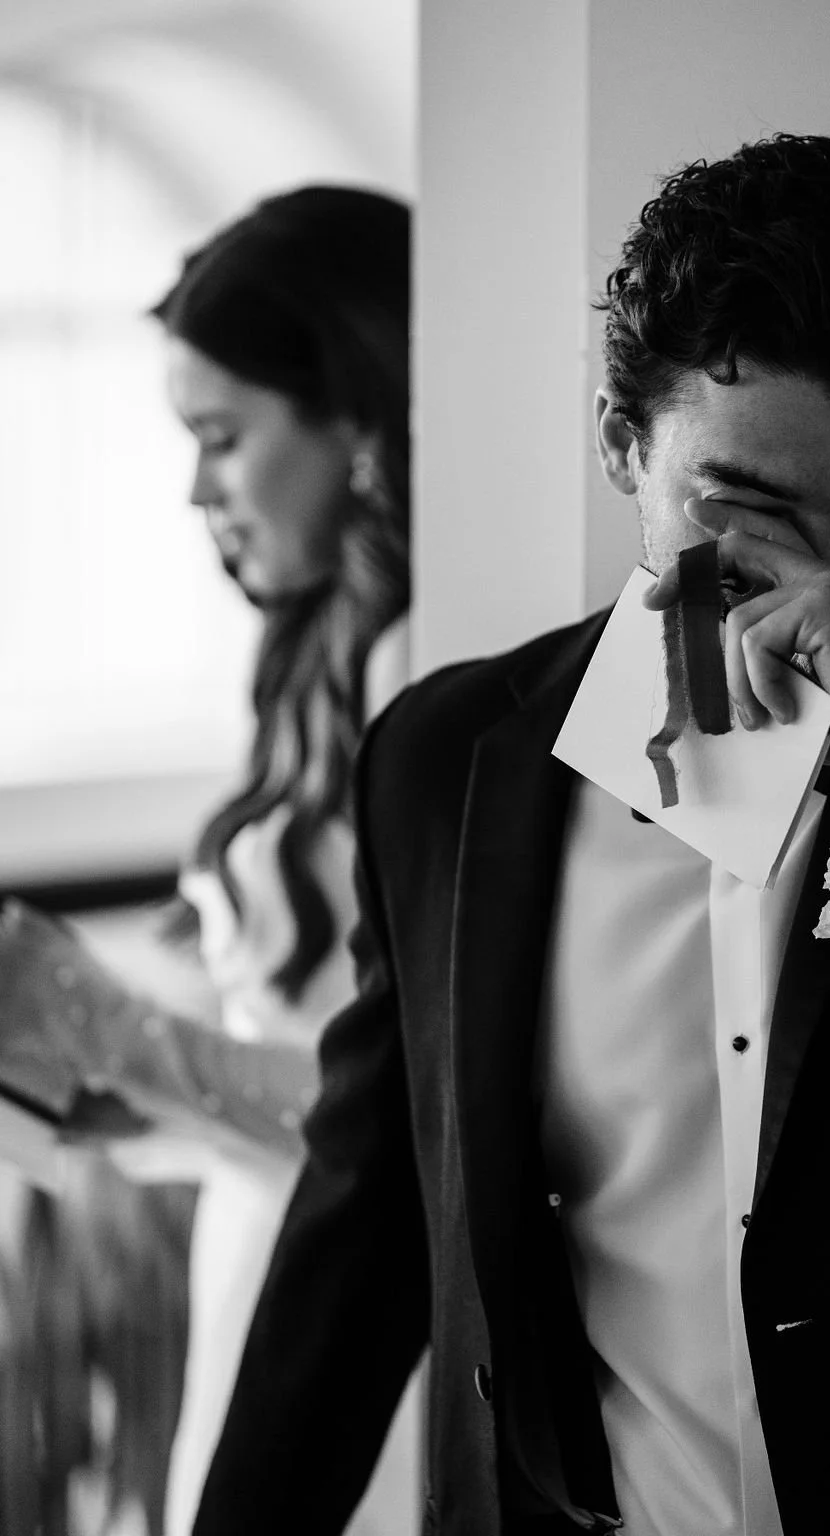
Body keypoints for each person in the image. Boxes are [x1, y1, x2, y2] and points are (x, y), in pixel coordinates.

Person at [190, 132, 830, 1535]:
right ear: (621, 441)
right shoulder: (445, 759)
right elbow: (369, 1230)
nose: (822, 572)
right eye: (746, 505)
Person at [0, 186, 419, 1536]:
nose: (194, 490)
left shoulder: (424, 673)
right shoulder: (308, 654)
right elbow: (277, 1076)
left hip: (362, 1305)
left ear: (357, 415)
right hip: (257, 1253)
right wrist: (105, 1085)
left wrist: (110, 1028)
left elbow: (407, 1127)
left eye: (223, 439)